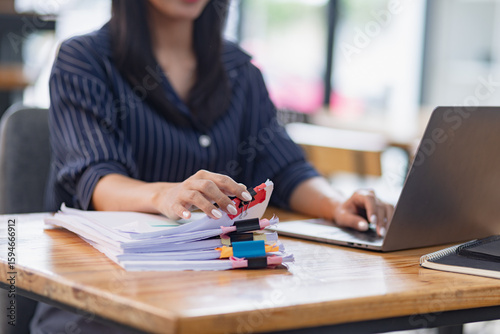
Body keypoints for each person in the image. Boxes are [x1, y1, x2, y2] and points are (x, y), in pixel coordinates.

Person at [32, 0, 394, 332]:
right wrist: (166, 194)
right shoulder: (85, 60)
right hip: (101, 302)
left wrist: (336, 204)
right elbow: (95, 179)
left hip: (215, 296)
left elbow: (285, 168)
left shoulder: (239, 69)